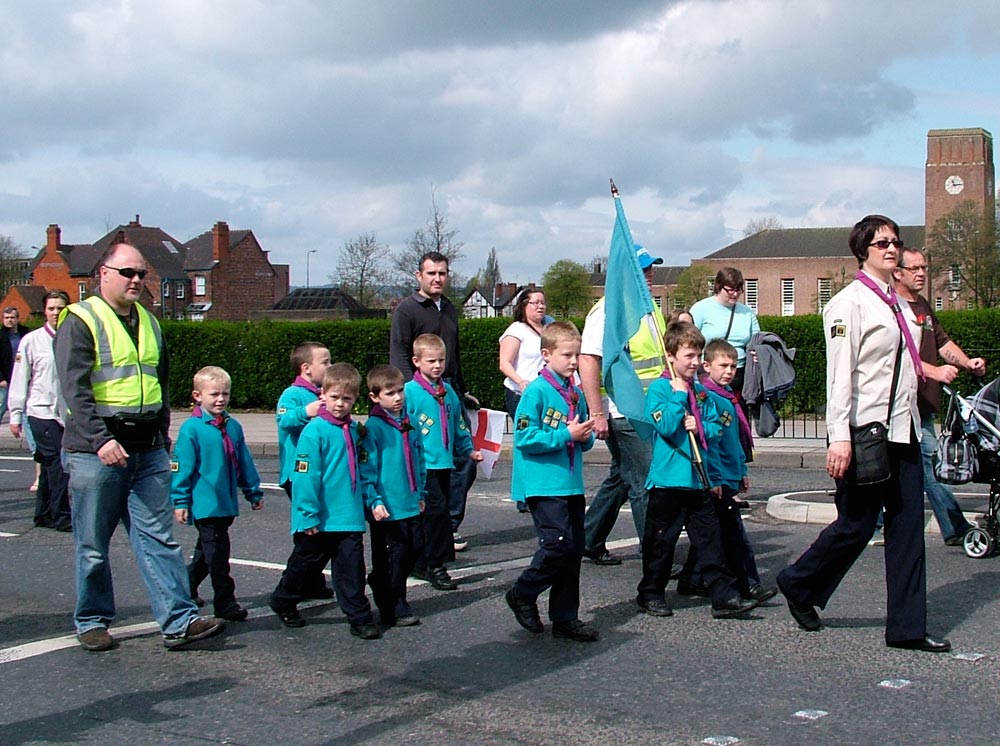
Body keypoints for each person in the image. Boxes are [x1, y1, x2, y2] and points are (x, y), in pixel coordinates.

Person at [777, 215, 950, 653]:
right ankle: (799, 582)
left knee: (908, 528)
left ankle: (907, 629)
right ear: (862, 252)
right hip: (865, 431)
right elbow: (840, 376)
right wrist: (839, 436)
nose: (891, 249)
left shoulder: (902, 303)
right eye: (881, 244)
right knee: (855, 525)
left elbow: (906, 363)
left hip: (903, 428)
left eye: (895, 242)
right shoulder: (848, 304)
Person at [55, 241, 225, 652]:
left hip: (146, 447)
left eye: (141, 274)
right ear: (104, 274)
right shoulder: (80, 319)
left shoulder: (149, 321)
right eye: (127, 273)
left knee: (158, 537)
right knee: (93, 544)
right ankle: (92, 620)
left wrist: (163, 431)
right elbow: (74, 390)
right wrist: (100, 439)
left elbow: (159, 383)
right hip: (97, 449)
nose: (135, 280)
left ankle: (179, 620)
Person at [637, 322, 759, 620]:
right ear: (671, 356)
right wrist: (679, 398)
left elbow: (715, 431)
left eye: (697, 356)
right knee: (661, 544)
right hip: (668, 481)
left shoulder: (702, 394)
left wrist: (701, 427)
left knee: (710, 541)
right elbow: (664, 425)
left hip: (699, 481)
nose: (694, 363)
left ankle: (723, 594)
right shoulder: (659, 390)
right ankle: (650, 593)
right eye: (689, 356)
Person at [269, 363, 381, 640]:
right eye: (334, 398)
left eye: (347, 399)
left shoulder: (355, 431)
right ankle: (284, 599)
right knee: (304, 565)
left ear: (355, 399)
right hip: (320, 516)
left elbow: (364, 468)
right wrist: (307, 513)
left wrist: (371, 500)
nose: (340, 404)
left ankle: (359, 616)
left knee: (352, 569)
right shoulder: (314, 431)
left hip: (349, 515)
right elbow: (306, 476)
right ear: (322, 394)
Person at [505, 321, 599, 641]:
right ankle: (522, 592)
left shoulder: (574, 391)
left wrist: (584, 436)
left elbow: (581, 434)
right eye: (567, 355)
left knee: (573, 550)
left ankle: (565, 617)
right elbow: (525, 436)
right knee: (557, 546)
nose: (574, 362)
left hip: (570, 482)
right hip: (544, 484)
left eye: (576, 355)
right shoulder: (537, 391)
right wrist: (565, 434)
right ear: (546, 355)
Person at [580, 244, 667, 565]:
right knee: (648, 481)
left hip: (648, 410)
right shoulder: (606, 312)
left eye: (651, 268)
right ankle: (655, 555)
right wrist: (597, 412)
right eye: (643, 269)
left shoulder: (647, 308)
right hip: (623, 411)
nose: (650, 274)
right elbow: (588, 359)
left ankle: (589, 538)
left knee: (622, 476)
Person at [893, 246, 984, 545]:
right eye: (915, 268)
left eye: (924, 268)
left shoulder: (922, 306)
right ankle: (955, 527)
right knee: (933, 463)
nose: (921, 274)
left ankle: (879, 518)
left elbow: (943, 343)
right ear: (898, 272)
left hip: (924, 405)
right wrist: (934, 371)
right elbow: (898, 356)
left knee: (916, 467)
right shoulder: (893, 308)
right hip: (902, 404)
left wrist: (968, 363)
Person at [390, 251, 477, 553]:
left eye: (442, 273)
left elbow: (455, 354)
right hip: (419, 391)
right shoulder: (407, 310)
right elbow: (400, 353)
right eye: (431, 274)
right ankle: (431, 526)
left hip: (449, 389)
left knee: (464, 459)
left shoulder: (450, 308)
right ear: (419, 276)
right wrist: (404, 394)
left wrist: (462, 390)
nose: (437, 278)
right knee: (428, 463)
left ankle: (449, 524)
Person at [676, 339, 775, 602]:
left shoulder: (728, 396)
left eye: (733, 365)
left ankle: (691, 579)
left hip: (729, 471)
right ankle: (748, 584)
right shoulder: (709, 398)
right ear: (707, 366)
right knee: (733, 535)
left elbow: (734, 440)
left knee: (714, 532)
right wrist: (717, 477)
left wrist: (741, 468)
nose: (729, 371)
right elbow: (713, 444)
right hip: (717, 475)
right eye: (723, 365)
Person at [171, 366, 264, 621]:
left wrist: (252, 491)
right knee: (218, 557)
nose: (221, 399)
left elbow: (243, 461)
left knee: (206, 553)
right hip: (205, 504)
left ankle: (185, 587)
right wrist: (180, 500)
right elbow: (182, 468)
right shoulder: (192, 429)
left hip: (225, 503)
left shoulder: (232, 427)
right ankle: (225, 602)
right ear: (197, 396)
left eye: (225, 394)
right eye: (214, 394)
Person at [404, 333, 482, 590]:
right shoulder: (410, 393)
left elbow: (458, 424)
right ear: (417, 361)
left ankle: (424, 560)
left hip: (444, 462)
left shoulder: (447, 391)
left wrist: (468, 449)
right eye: (431, 361)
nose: (437, 366)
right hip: (423, 465)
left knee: (440, 511)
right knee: (435, 515)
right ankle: (434, 564)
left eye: (441, 360)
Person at [361, 365, 426, 628]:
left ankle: (383, 584)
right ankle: (393, 604)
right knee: (392, 559)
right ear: (375, 397)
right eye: (390, 393)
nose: (398, 397)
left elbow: (419, 459)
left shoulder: (408, 423)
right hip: (386, 506)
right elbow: (367, 468)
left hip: (410, 500)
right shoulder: (373, 428)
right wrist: (373, 500)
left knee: (414, 551)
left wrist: (421, 492)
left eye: (400, 391)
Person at [275, 341, 335, 599]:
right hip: (298, 474)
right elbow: (284, 419)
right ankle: (291, 585)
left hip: (318, 472)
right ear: (306, 368)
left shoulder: (322, 392)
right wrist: (306, 411)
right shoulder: (293, 394)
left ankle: (312, 581)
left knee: (320, 532)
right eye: (326, 362)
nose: (330, 366)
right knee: (309, 534)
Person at [8, 290, 72, 531]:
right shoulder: (31, 341)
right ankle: (61, 515)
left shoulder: (74, 337)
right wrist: (15, 413)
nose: (56, 313)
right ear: (44, 311)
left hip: (64, 414)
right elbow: (20, 378)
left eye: (60, 308)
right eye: (51, 308)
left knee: (47, 465)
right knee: (58, 462)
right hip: (40, 412)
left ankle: (43, 514)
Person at [690, 268, 760, 398]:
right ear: (718, 287)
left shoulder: (747, 312)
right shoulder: (700, 309)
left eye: (738, 290)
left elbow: (757, 340)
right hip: (709, 375)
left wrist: (758, 353)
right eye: (730, 290)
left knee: (739, 416)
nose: (735, 294)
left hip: (739, 374)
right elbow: (688, 341)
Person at [498, 289, 548, 420]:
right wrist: (520, 381)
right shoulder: (517, 330)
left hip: (544, 395)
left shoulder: (549, 328)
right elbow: (504, 363)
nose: (541, 306)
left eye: (543, 303)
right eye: (536, 303)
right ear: (524, 305)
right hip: (521, 395)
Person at [0, 306, 29, 424]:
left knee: (26, 409)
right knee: (1, 405)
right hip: (5, 378)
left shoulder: (25, 334)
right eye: (6, 318)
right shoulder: (1, 336)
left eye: (12, 317)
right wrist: (0, 378)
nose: (9, 320)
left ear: (17, 319)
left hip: (22, 376)